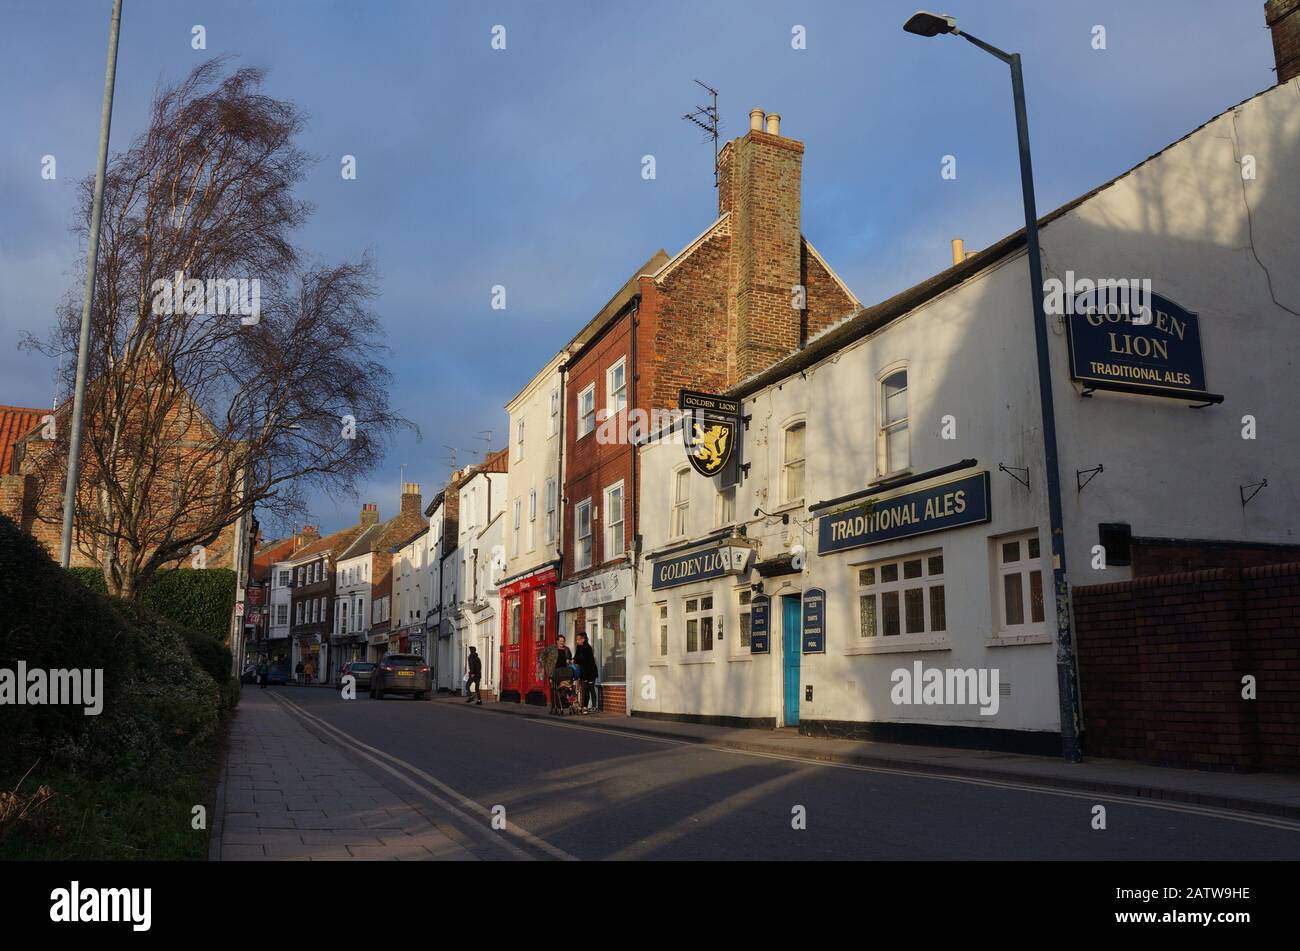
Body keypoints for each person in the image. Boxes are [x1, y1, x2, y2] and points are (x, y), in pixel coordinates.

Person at [574, 631, 599, 713]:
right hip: (584, 673)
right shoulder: (579, 648)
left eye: (578, 639)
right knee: (585, 689)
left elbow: (584, 660)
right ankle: (585, 706)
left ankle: (594, 706)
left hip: (591, 672)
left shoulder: (587, 648)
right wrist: (574, 660)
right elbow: (576, 658)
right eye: (576, 639)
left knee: (591, 688)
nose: (577, 641)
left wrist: (576, 660)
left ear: (583, 639)